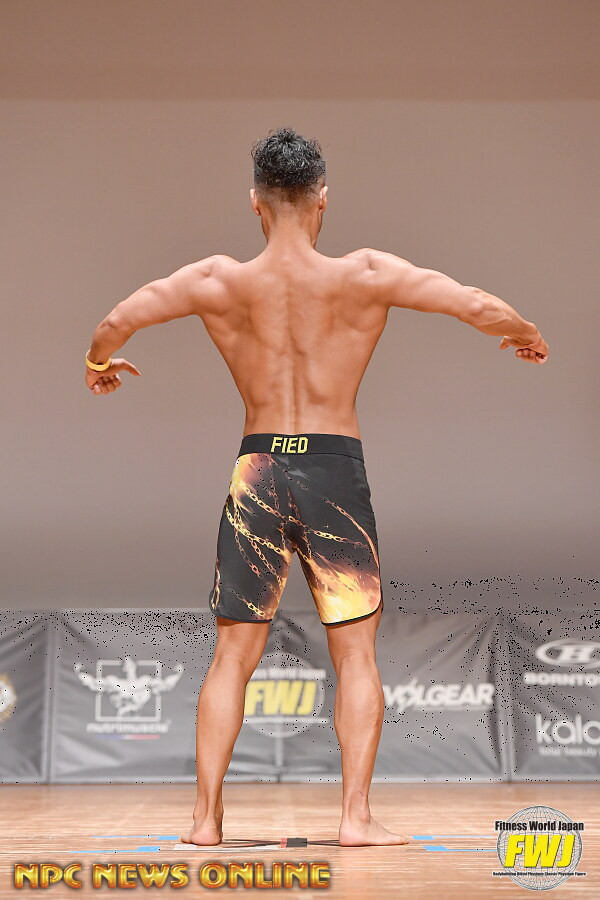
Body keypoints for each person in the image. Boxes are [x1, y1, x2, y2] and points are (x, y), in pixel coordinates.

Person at [84, 127, 548, 847]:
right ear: (322, 200)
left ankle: (205, 822)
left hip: (259, 470)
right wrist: (524, 333)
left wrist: (99, 362)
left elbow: (117, 321)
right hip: (332, 469)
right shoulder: (365, 273)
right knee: (355, 654)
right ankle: (355, 818)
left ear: (255, 203)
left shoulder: (216, 281)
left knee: (232, 656)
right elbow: (473, 302)